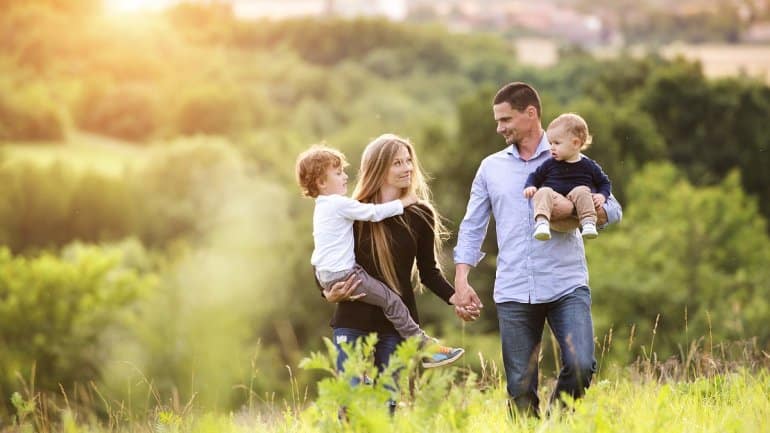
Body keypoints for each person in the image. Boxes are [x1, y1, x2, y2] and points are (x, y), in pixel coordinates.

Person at [451, 82, 623, 417]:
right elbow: (473, 225)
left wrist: (586, 211)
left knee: (581, 364)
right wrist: (461, 279)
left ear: (531, 114)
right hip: (514, 288)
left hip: (566, 283)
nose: (499, 127)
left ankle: (555, 424)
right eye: (498, 121)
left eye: (505, 119)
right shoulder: (491, 168)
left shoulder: (574, 158)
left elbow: (614, 209)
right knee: (519, 387)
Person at [295, 144, 464, 369]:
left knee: (389, 402)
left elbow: (429, 272)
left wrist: (456, 298)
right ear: (378, 168)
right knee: (352, 399)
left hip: (395, 328)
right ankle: (426, 346)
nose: (407, 168)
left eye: (408, 160)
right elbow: (326, 257)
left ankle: (426, 347)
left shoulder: (420, 214)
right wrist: (328, 293)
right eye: (397, 162)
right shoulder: (353, 210)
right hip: (353, 322)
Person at [523, 113, 612, 241]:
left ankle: (588, 223)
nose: (551, 147)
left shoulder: (588, 165)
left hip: (575, 218)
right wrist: (530, 186)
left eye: (557, 143)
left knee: (582, 190)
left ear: (575, 143)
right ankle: (541, 223)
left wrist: (602, 195)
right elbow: (535, 176)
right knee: (543, 191)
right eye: (550, 143)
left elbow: (604, 182)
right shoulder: (549, 164)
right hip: (554, 214)